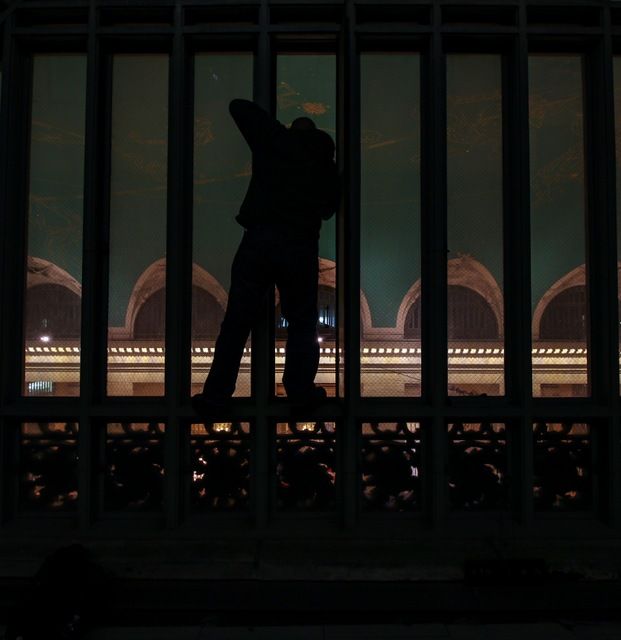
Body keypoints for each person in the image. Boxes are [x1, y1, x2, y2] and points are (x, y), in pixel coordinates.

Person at [192, 99, 340, 415]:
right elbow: (328, 209)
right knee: (302, 321)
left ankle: (217, 394)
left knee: (236, 321)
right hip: (300, 245)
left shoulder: (274, 142)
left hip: (258, 239)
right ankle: (299, 391)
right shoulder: (323, 162)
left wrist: (276, 134)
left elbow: (236, 106)